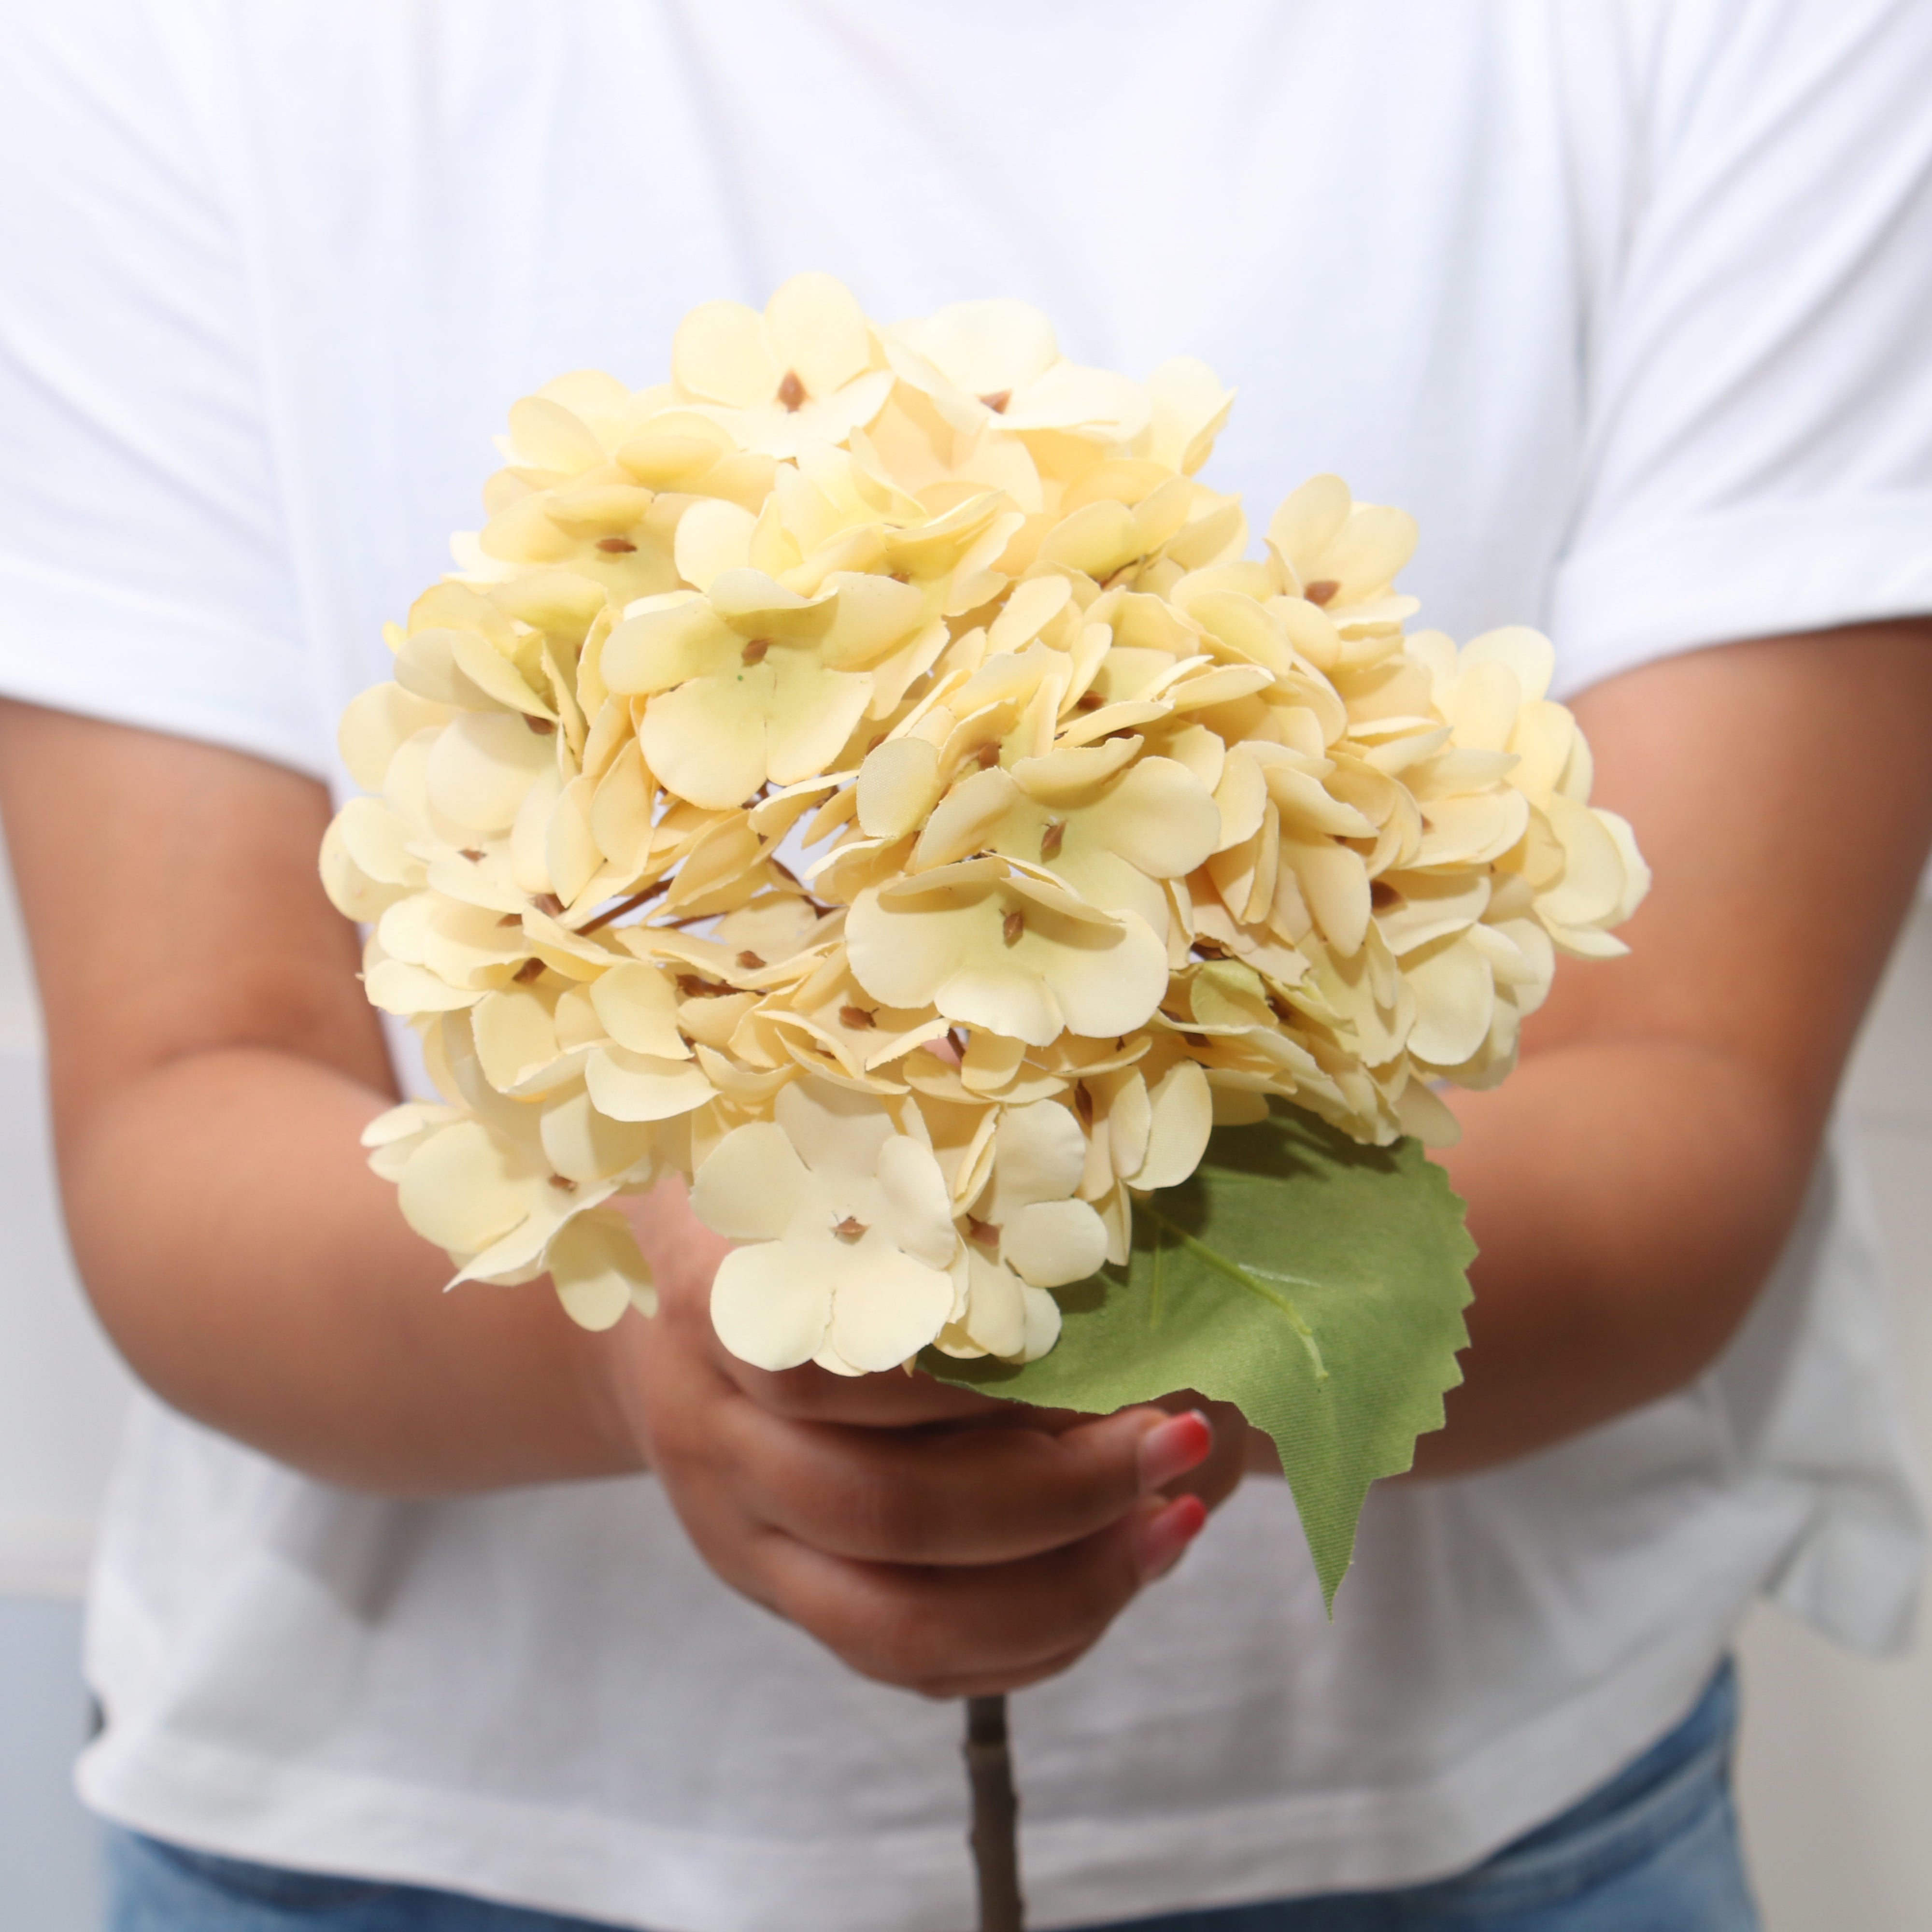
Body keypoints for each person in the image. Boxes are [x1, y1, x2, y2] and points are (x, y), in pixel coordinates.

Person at [2, 3, 1930, 1928]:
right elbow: (185, 1082)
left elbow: (1692, 1068)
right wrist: (666, 1359)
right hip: (401, 1852)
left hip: (1472, 1841)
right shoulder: (176, 45)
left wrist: (1115, 1337)